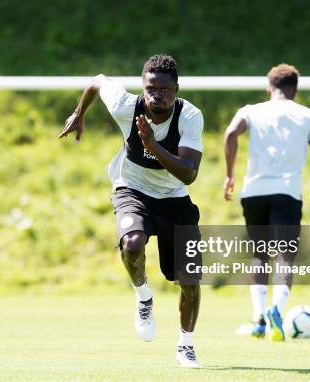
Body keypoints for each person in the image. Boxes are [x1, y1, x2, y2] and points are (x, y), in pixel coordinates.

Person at [59, 54, 204, 367]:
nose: (157, 95)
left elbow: (189, 173)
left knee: (190, 277)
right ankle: (144, 298)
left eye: (165, 89)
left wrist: (153, 147)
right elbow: (98, 80)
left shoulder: (189, 116)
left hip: (174, 198)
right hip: (132, 188)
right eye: (151, 88)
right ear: (143, 86)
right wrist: (79, 112)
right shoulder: (127, 106)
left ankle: (186, 345)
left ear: (176, 89)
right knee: (132, 243)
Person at [223, 63, 310, 341]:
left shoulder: (251, 110)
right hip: (286, 192)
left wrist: (229, 175)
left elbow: (231, 134)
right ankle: (276, 312)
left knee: (260, 254)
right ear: (295, 90)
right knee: (285, 256)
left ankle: (259, 319)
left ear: (269, 88)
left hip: (254, 191)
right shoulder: (308, 115)